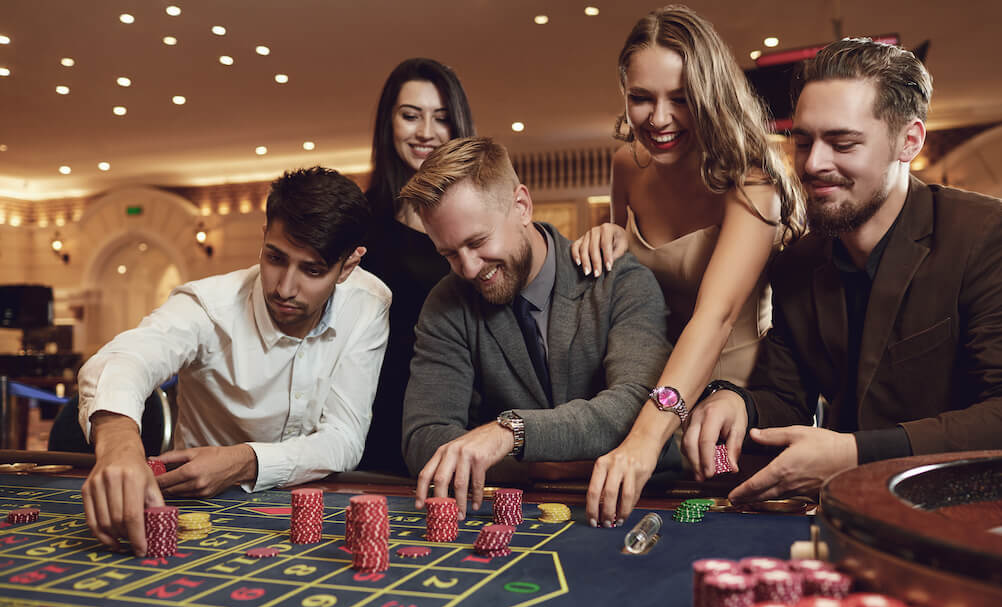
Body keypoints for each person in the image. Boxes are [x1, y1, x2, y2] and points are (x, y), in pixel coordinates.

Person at [685, 38, 1002, 503]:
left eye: (843, 142)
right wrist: (738, 403)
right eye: (803, 141)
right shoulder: (799, 260)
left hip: (968, 519)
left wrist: (855, 453)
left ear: (909, 141)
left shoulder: (985, 236)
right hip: (845, 517)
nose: (813, 164)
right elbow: (785, 395)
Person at [78, 166, 391, 556]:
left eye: (311, 270)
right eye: (275, 257)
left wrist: (245, 460)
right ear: (263, 238)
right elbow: (126, 357)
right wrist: (118, 443)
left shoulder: (368, 304)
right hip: (195, 509)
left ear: (348, 266)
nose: (284, 288)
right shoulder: (208, 306)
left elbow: (343, 438)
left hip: (311, 519)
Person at [573, 6, 804, 526]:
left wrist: (646, 438)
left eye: (681, 99)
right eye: (641, 98)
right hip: (643, 391)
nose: (658, 119)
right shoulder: (627, 165)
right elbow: (627, 289)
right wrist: (608, 237)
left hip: (726, 410)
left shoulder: (753, 182)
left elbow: (715, 318)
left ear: (711, 94)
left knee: (716, 538)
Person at [398, 136, 671, 519]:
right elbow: (424, 439)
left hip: (634, 507)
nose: (470, 268)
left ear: (521, 206)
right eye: (449, 253)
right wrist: (550, 464)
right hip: (516, 518)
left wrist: (511, 433)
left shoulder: (619, 281)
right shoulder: (447, 302)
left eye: (478, 241)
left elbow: (637, 406)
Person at [360, 58, 476, 475]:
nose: (426, 132)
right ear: (388, 123)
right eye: (411, 116)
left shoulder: (480, 220)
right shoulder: (360, 220)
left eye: (441, 118)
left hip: (470, 412)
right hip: (382, 413)